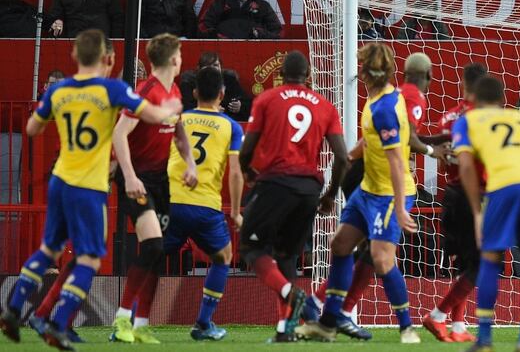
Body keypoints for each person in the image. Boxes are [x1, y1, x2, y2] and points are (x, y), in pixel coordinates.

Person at [0, 29, 182, 351]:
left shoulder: (60, 90)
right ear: (109, 60)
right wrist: (169, 112)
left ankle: (15, 309)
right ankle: (59, 322)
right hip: (91, 185)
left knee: (49, 250)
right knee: (90, 259)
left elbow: (31, 128)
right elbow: (149, 115)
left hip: (60, 180)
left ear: (74, 57)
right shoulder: (114, 89)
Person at [302, 52, 448, 340]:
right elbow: (370, 141)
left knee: (381, 259)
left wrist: (402, 208)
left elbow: (397, 158)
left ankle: (406, 327)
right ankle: (329, 317)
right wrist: (347, 159)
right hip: (368, 187)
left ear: (367, 74)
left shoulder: (387, 106)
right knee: (341, 244)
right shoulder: (377, 101)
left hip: (389, 194)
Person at [238, 51, 348, 343]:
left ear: (282, 75)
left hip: (276, 183)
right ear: (309, 76)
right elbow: (342, 157)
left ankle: (292, 293)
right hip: (309, 191)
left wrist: (246, 169)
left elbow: (248, 145)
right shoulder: (325, 107)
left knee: (250, 247)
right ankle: (285, 330)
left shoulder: (267, 99)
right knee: (287, 257)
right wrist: (329, 196)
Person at [452, 75, 520, 352]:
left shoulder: (468, 121)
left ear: (473, 99)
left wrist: (476, 211)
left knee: (491, 257)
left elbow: (466, 167)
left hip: (505, 183)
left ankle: (484, 340)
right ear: (502, 100)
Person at [110, 33, 198, 344]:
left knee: (158, 251)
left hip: (159, 179)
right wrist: (130, 177)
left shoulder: (173, 90)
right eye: (181, 54)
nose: (182, 59)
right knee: (152, 245)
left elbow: (179, 130)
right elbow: (119, 135)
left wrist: (190, 163)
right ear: (173, 59)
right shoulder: (145, 93)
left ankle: (142, 324)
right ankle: (122, 321)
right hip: (138, 177)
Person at [162, 66, 244, 340]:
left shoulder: (179, 118)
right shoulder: (231, 126)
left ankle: (128, 318)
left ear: (195, 92)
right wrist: (234, 211)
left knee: (151, 258)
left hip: (173, 202)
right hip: (206, 206)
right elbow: (235, 171)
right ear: (222, 94)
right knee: (223, 258)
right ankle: (203, 322)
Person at [421, 63, 488, 343]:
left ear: (463, 85)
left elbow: (444, 148)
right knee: (481, 266)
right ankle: (438, 315)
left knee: (466, 264)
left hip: (451, 195)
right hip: (476, 197)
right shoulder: (483, 119)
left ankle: (458, 326)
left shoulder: (448, 116)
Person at [179, 52, 251, 122]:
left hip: (227, 121)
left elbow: (247, 103)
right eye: (208, 66)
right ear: (199, 69)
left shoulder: (230, 80)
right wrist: (210, 111)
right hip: (200, 122)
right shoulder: (190, 83)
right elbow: (186, 108)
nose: (212, 69)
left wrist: (240, 106)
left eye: (215, 65)